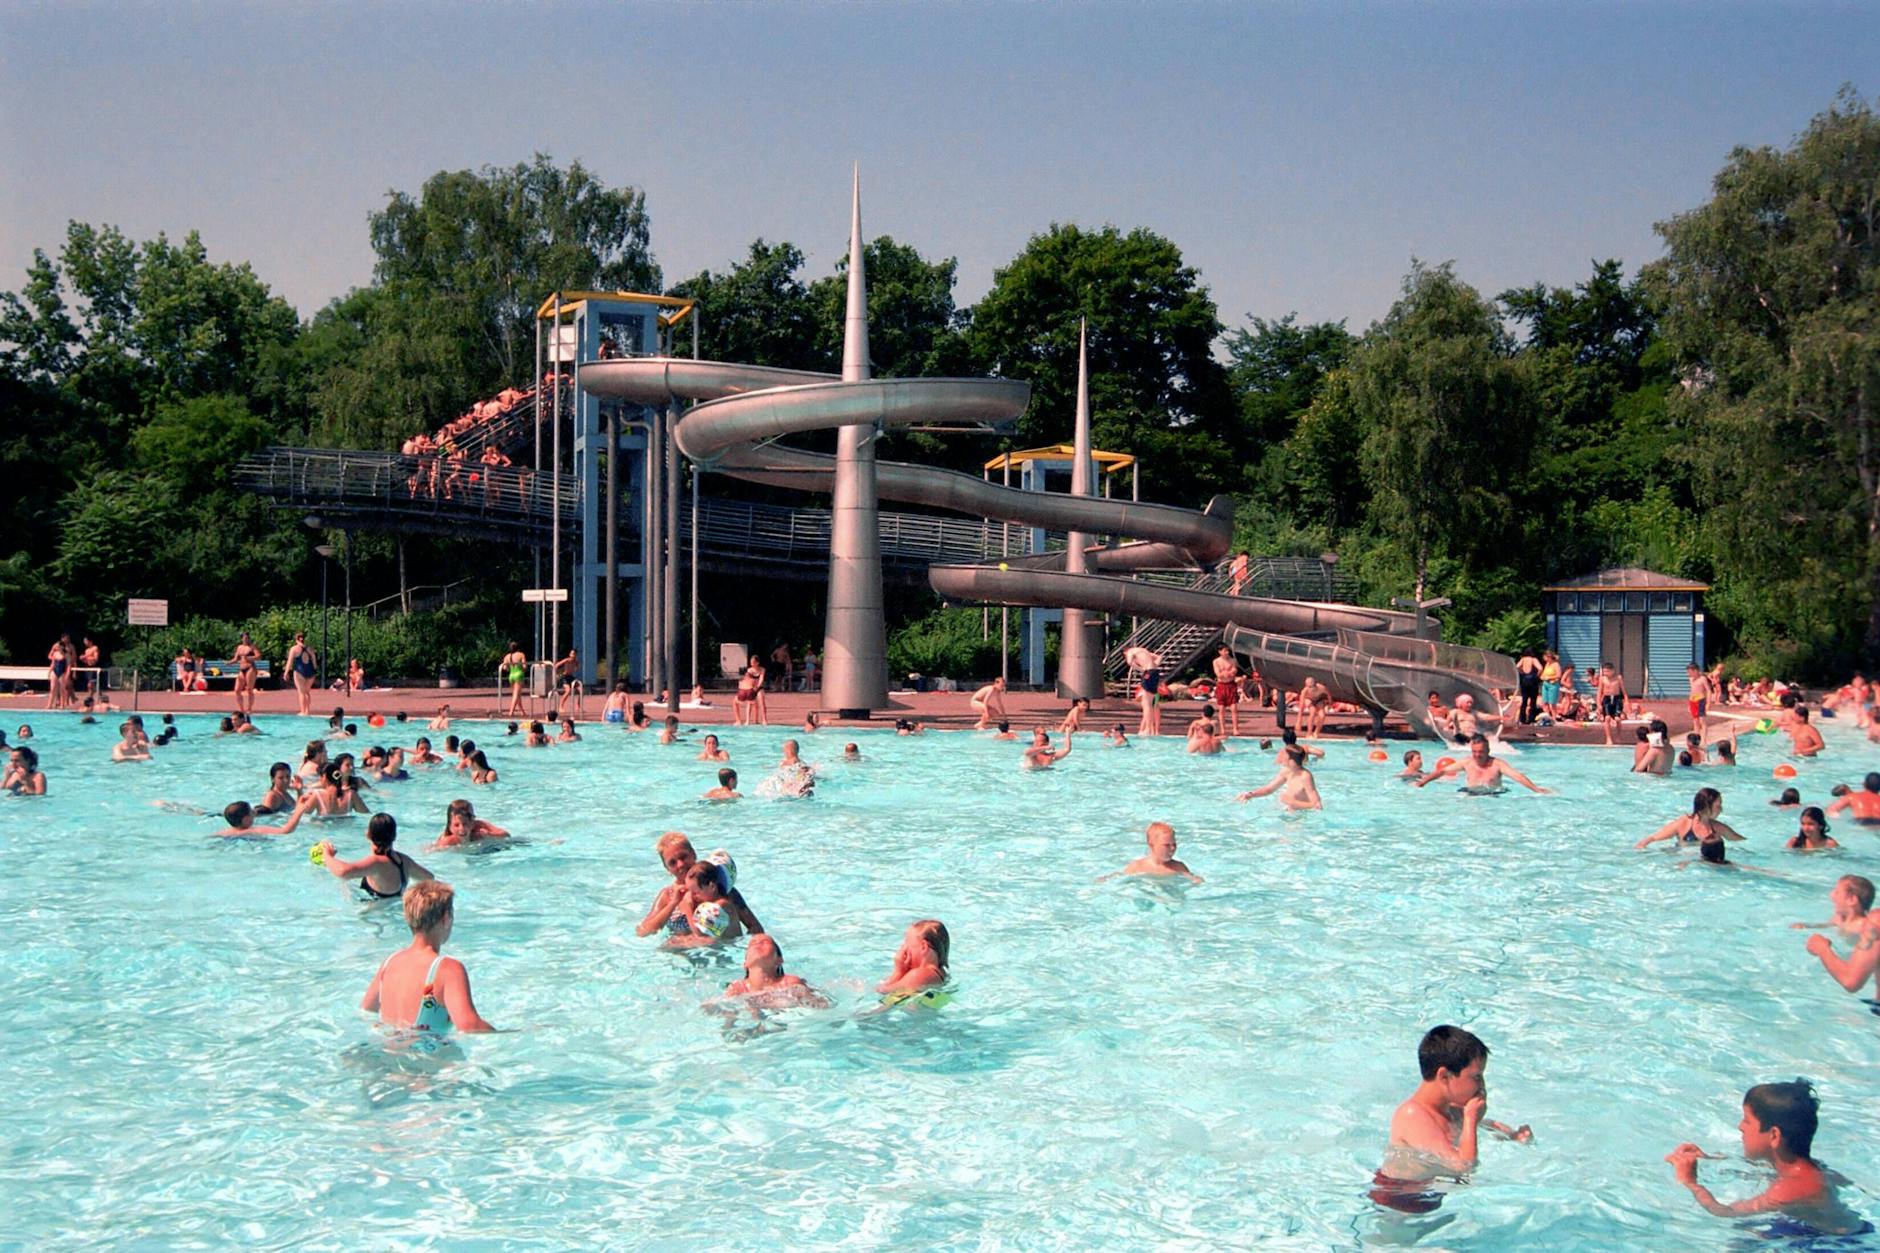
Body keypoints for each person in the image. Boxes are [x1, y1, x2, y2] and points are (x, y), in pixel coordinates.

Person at [1665, 1081, 1865, 1237]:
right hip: (1817, 1230)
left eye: (1747, 1120)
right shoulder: (1808, 1167)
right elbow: (1760, 1167)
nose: (1740, 1127)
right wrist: (1708, 1158)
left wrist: (1690, 1182)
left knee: (1743, 1235)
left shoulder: (1790, 1188)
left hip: (1837, 1244)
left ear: (1774, 1135)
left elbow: (1723, 1211)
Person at [1371, 1025, 1531, 1214]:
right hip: (1398, 1202)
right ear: (1445, 1076)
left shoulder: (1450, 1110)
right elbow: (1463, 1166)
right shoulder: (1412, 1114)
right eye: (1476, 1077)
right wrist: (1470, 1119)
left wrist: (1511, 1136)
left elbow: (1481, 1127)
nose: (1482, 1085)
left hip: (1430, 1194)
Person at [359, 881, 495, 1035]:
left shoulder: (390, 962)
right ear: (446, 918)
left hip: (389, 1049)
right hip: (429, 1056)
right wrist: (514, 1033)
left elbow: (367, 1010)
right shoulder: (448, 969)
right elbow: (469, 1025)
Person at [635, 833, 763, 940]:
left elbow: (755, 928)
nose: (680, 865)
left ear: (694, 854)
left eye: (683, 856)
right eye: (672, 863)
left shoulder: (719, 889)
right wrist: (674, 903)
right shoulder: (667, 895)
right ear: (667, 868)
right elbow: (643, 931)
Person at [320, 813, 435, 900]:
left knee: (343, 886)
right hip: (392, 910)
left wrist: (327, 856)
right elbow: (429, 877)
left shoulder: (376, 863)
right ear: (394, 836)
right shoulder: (404, 861)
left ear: (368, 834)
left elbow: (343, 872)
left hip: (373, 916)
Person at [716, 934, 829, 1010]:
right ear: (745, 963)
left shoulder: (789, 982)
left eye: (765, 942)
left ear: (779, 960)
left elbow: (821, 1005)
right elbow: (727, 1012)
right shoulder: (738, 988)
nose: (757, 943)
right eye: (752, 943)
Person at [1417, 734, 1550, 795]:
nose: (1477, 755)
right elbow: (1442, 771)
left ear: (1488, 751)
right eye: (1474, 751)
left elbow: (1518, 776)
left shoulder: (1497, 764)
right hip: (1470, 794)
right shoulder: (1467, 763)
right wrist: (1423, 782)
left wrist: (1536, 789)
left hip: (1493, 796)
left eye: (1481, 752)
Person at [1635, 787, 1746, 850]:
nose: (1721, 809)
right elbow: (1654, 838)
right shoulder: (1684, 823)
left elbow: (1741, 841)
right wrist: (1641, 847)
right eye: (1718, 806)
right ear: (1706, 806)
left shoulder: (1717, 827)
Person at [1104, 821, 1201, 883]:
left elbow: (1194, 880)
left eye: (1174, 844)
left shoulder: (1178, 867)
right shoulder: (1138, 866)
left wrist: (1197, 881)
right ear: (1151, 845)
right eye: (1167, 845)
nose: (1172, 848)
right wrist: (1107, 878)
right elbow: (1121, 876)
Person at [877, 919, 949, 1004]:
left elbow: (883, 991)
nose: (903, 948)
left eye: (906, 943)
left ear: (923, 947)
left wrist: (898, 972)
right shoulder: (941, 973)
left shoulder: (919, 975)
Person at [1238, 745, 1322, 810]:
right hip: (1289, 812)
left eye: (1283, 756)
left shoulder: (1305, 777)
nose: (1280, 758)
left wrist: (1293, 802)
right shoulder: (1287, 771)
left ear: (1291, 761)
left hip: (1302, 818)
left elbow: (1317, 805)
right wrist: (1251, 794)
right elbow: (1269, 789)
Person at [1790, 875, 1874, 937]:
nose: (1831, 895)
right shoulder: (1838, 918)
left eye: (1837, 892)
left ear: (1851, 900)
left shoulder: (1862, 926)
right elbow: (1826, 925)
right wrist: (1806, 926)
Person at [217, 793, 320, 838]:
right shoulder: (255, 830)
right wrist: (298, 812)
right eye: (251, 811)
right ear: (245, 820)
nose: (254, 812)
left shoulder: (225, 832)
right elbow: (285, 831)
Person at [433, 798, 509, 849]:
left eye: (465, 824)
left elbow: (506, 835)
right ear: (450, 826)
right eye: (456, 825)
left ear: (472, 822)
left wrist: (489, 835)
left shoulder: (480, 827)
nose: (461, 828)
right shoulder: (447, 841)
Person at [1126, 646, 1163, 736]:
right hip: (1155, 673)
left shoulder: (1131, 651)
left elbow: (1129, 662)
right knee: (1152, 703)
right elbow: (1160, 657)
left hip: (1148, 673)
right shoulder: (1144, 651)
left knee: (1146, 704)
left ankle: (1148, 729)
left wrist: (1142, 669)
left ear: (1125, 652)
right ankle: (1154, 730)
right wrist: (1154, 665)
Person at [1211, 645, 1242, 736]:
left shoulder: (1233, 660)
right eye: (1225, 651)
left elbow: (1234, 672)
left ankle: (1235, 729)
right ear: (1220, 652)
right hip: (1221, 685)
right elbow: (1218, 675)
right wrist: (1227, 673)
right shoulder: (1216, 661)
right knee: (1221, 709)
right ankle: (1223, 729)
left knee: (1234, 708)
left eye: (1228, 651)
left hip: (1231, 685)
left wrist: (1225, 673)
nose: (1227, 653)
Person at [1596, 662, 1627, 746]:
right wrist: (1598, 704)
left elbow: (1623, 691)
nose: (1605, 673)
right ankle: (1608, 739)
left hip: (1617, 699)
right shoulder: (1602, 679)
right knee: (1607, 718)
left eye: (1607, 671)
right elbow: (1599, 692)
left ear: (1613, 671)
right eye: (1604, 671)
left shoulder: (1618, 678)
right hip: (1607, 699)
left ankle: (1618, 737)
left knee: (1618, 719)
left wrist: (1627, 701)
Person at [231, 631, 261, 716]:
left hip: (250, 668)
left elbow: (258, 656)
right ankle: (241, 709)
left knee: (249, 689)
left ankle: (249, 708)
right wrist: (229, 662)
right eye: (244, 638)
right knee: (237, 690)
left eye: (247, 638)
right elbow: (236, 659)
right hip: (242, 669)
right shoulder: (239, 647)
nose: (246, 639)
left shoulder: (252, 647)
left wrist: (250, 658)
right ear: (242, 638)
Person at [500, 642, 528, 718]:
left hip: (511, 675)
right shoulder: (521, 655)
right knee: (516, 694)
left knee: (517, 695)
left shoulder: (507, 656)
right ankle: (511, 712)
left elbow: (505, 668)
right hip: (519, 674)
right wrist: (522, 668)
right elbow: (524, 666)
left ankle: (522, 712)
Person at [1686, 663, 1713, 739]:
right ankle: (1696, 739)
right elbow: (1692, 691)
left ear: (1695, 671)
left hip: (1700, 700)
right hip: (1692, 700)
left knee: (1702, 721)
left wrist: (1708, 703)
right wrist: (1689, 703)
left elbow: (1708, 691)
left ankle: (1704, 739)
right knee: (1695, 721)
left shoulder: (1702, 679)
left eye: (1689, 672)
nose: (1688, 674)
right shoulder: (1691, 679)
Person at [1515, 650, 1542, 724]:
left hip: (1524, 680)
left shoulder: (1523, 659)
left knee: (1524, 700)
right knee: (1533, 701)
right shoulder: (1533, 659)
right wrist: (1537, 675)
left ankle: (1522, 719)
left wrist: (1522, 672)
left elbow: (1517, 666)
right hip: (1532, 680)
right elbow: (1540, 668)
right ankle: (1531, 719)